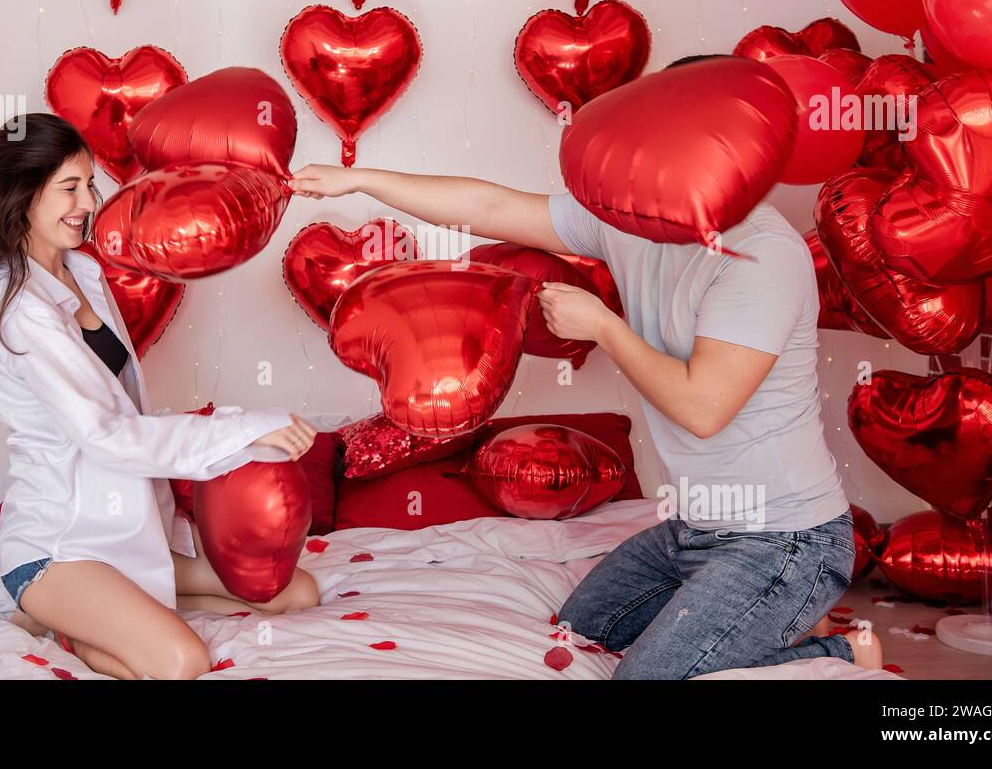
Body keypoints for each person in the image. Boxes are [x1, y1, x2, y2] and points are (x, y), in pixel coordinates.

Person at [287, 57, 884, 678]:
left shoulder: (762, 258)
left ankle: (834, 650)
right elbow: (488, 205)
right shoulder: (635, 222)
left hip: (785, 541)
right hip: (693, 529)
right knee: (578, 637)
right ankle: (762, 626)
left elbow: (703, 408)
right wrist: (359, 180)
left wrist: (602, 325)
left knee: (642, 679)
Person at [0, 114, 320, 680]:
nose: (86, 202)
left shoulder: (83, 270)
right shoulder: (19, 307)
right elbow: (109, 436)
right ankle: (69, 627)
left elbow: (128, 409)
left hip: (128, 528)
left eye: (89, 185)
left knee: (295, 592)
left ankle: (129, 614)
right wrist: (245, 426)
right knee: (180, 660)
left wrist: (235, 435)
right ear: (23, 194)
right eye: (69, 188)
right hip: (61, 546)